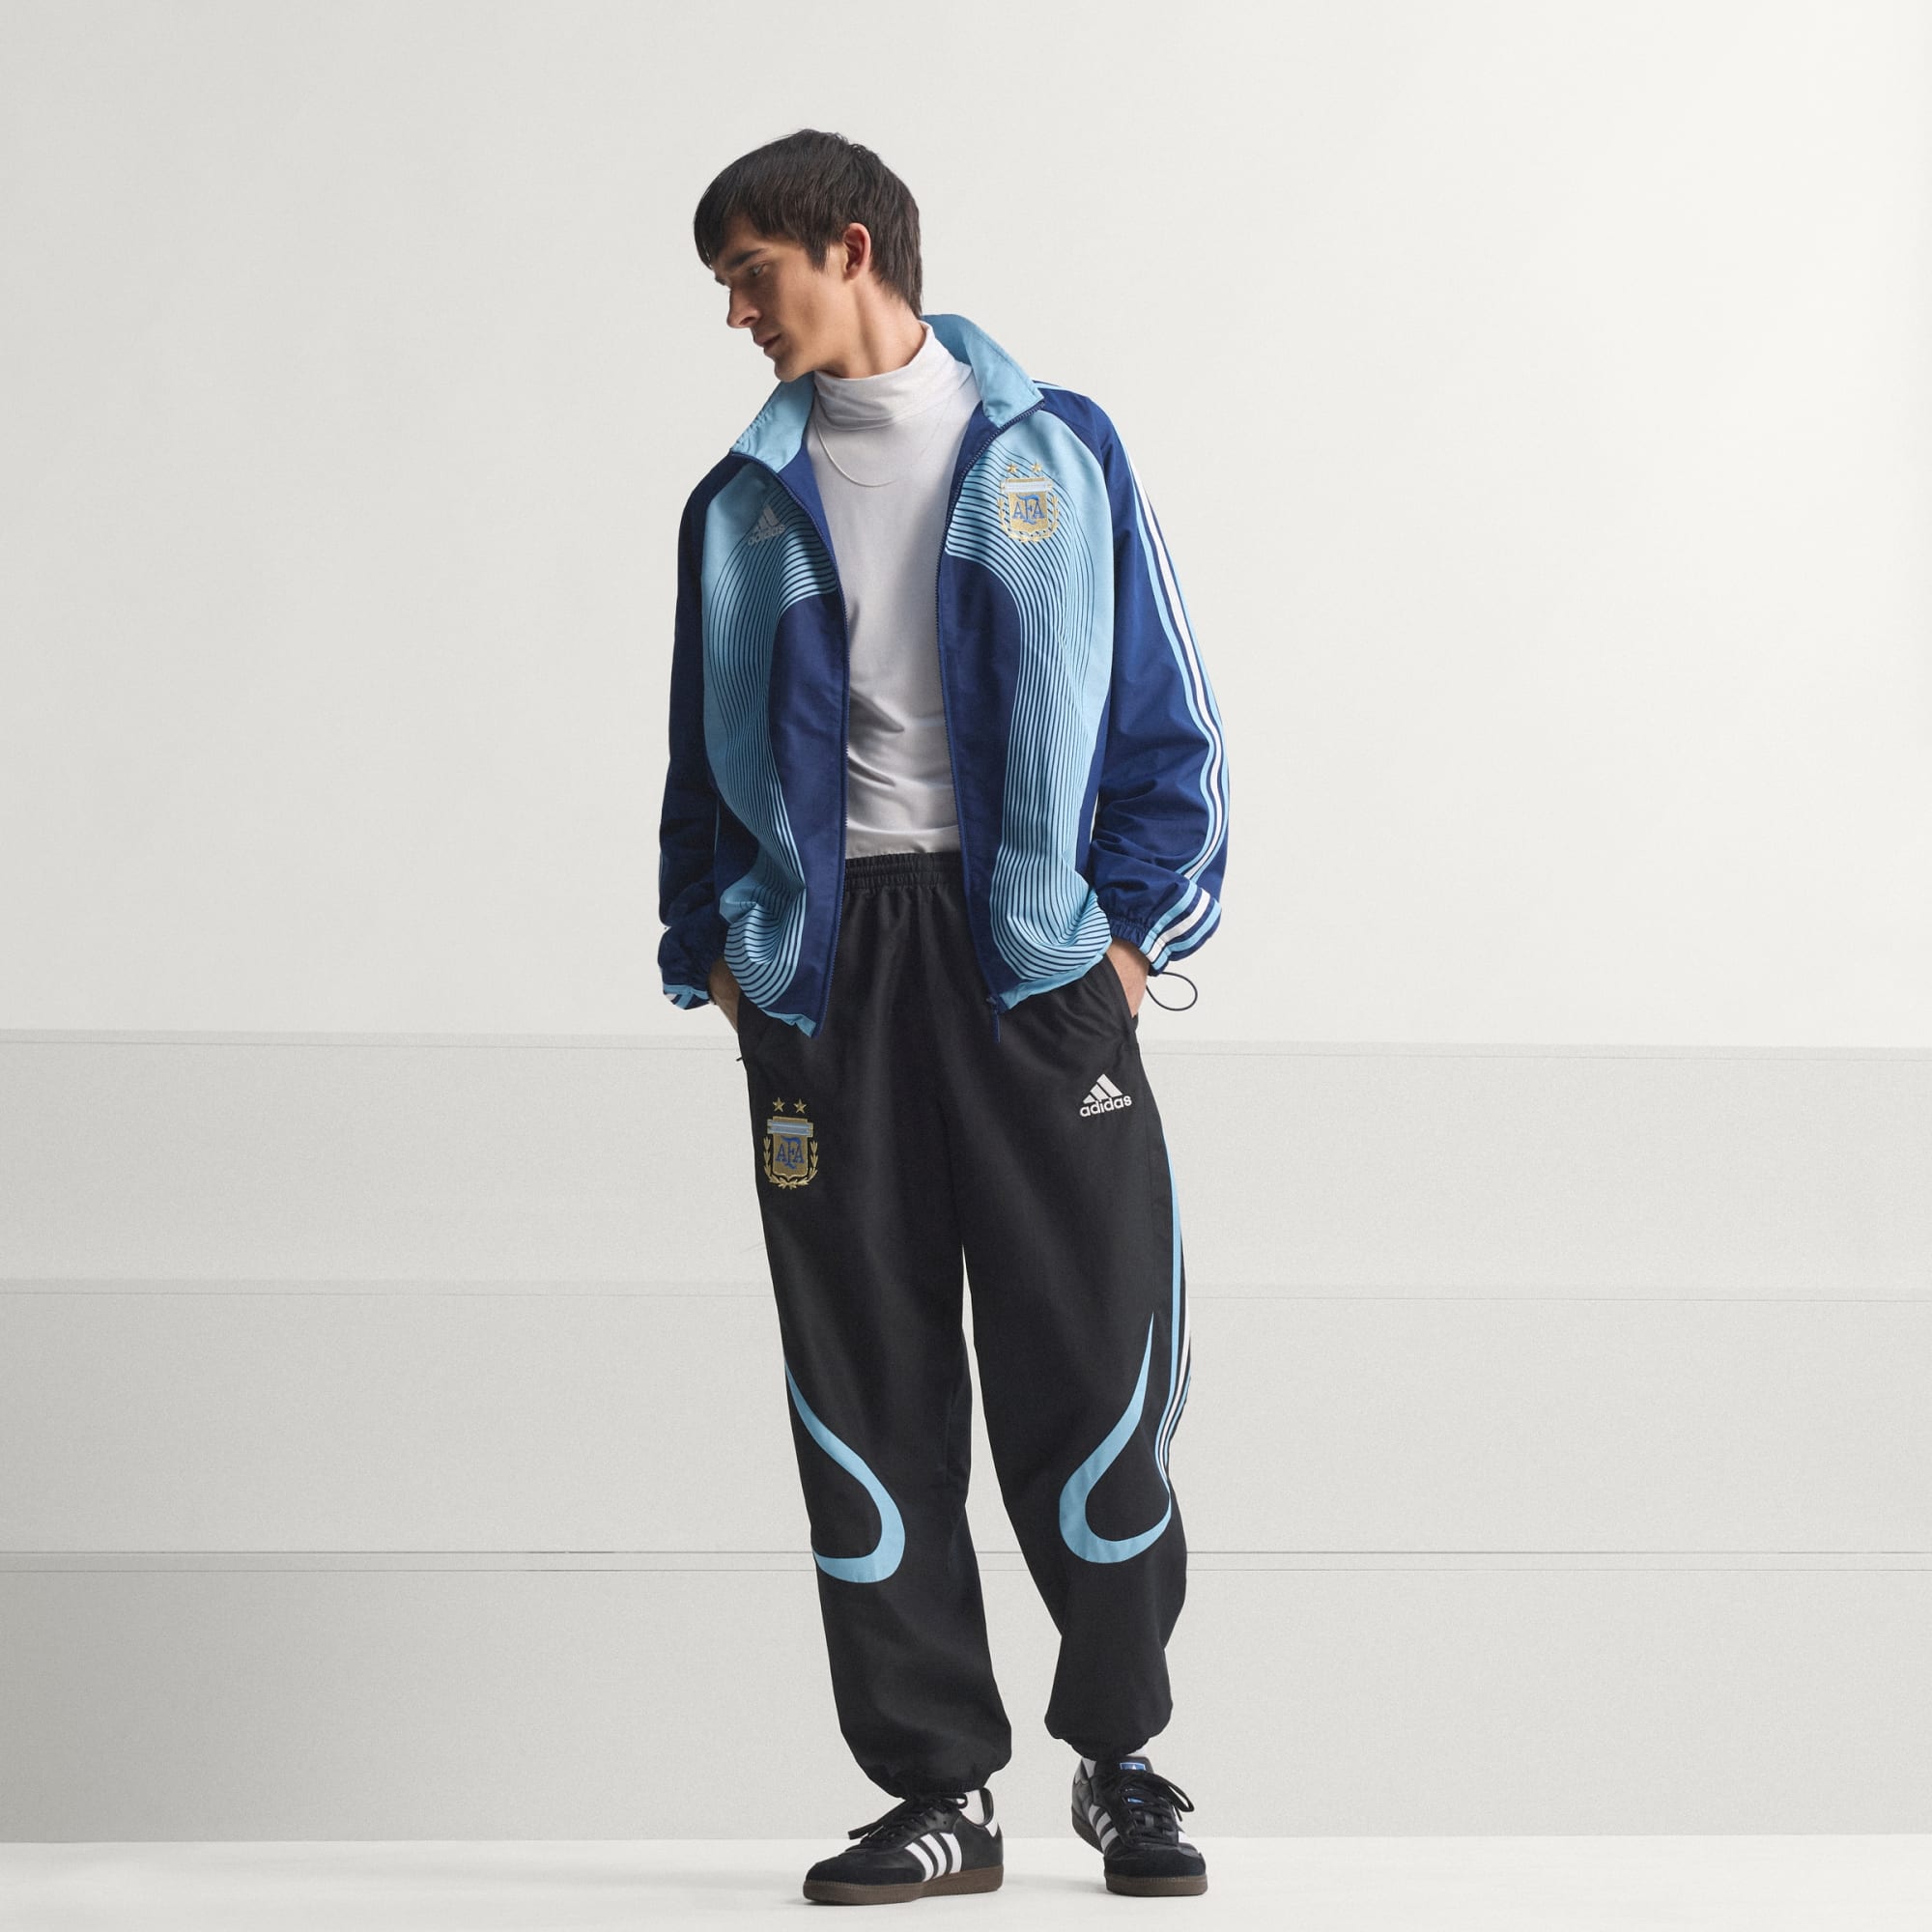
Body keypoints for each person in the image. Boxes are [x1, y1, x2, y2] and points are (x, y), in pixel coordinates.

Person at [657, 128, 1230, 1905]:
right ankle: (938, 1790)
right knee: (866, 1386)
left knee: (1093, 1365)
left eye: (751, 275)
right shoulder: (738, 501)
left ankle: (1121, 1760)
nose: (737, 315)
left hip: (1029, 964)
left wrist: (1121, 947)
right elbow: (694, 768)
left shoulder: (1058, 446)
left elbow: (1167, 725)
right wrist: (723, 959)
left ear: (851, 246)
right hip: (829, 981)